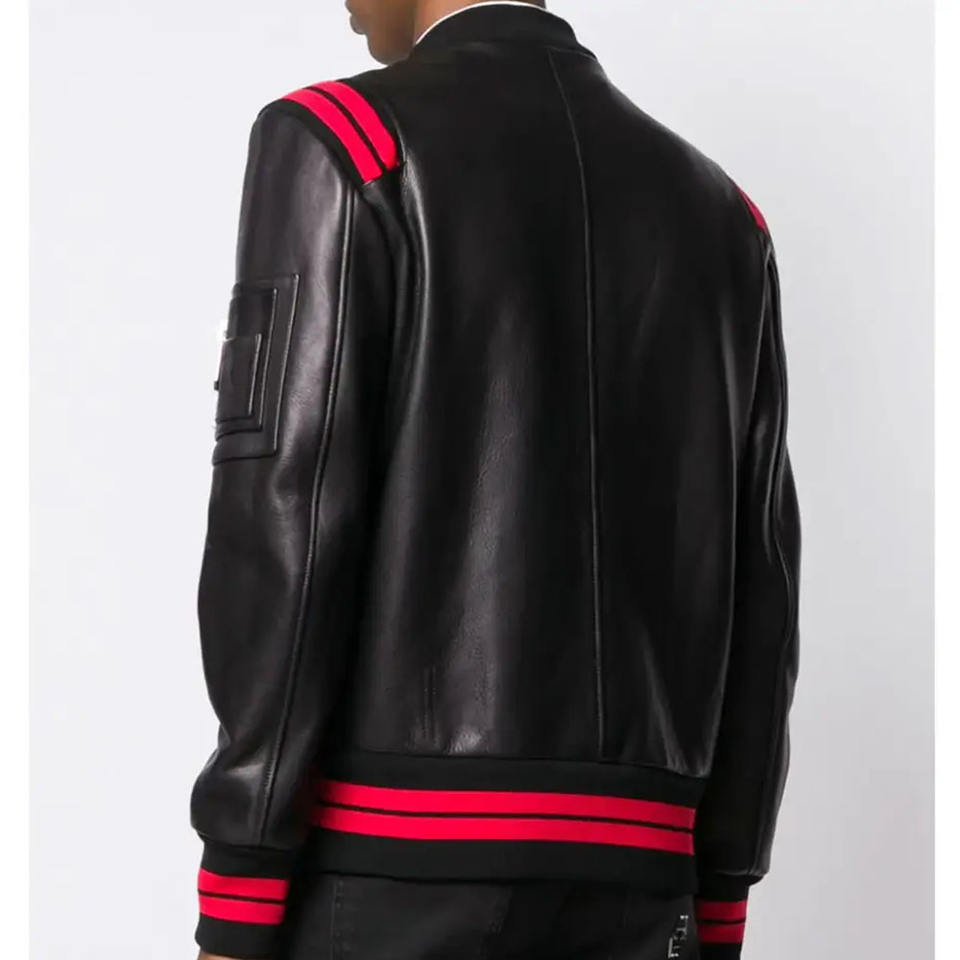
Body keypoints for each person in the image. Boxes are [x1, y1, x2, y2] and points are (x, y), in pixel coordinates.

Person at [189, 1, 802, 958]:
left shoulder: (345, 144)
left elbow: (287, 524)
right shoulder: (724, 215)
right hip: (646, 878)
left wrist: (241, 874)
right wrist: (723, 884)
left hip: (394, 871)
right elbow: (764, 584)